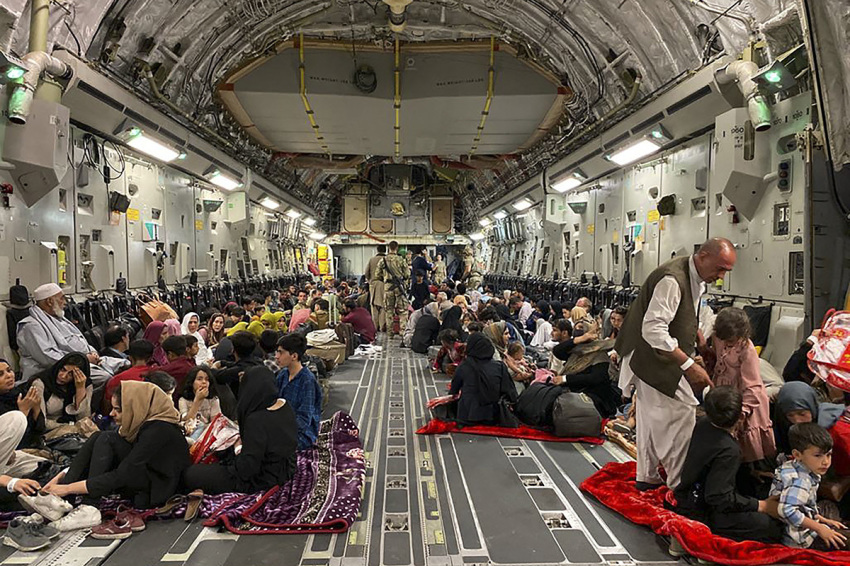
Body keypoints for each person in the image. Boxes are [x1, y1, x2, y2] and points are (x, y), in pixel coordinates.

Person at [615, 238, 736, 491]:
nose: (722, 276)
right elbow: (654, 329)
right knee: (680, 415)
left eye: (726, 271)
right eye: (720, 268)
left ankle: (646, 477)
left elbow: (682, 314)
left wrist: (698, 339)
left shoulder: (696, 278)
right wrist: (689, 364)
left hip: (651, 353)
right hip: (648, 354)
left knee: (649, 416)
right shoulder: (672, 279)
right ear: (703, 256)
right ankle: (679, 487)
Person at [45, 381, 189, 509]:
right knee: (98, 436)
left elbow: (124, 474)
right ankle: (60, 500)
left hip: (160, 489)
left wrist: (69, 488)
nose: (112, 413)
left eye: (118, 409)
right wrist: (63, 479)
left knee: (107, 438)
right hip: (147, 477)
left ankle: (89, 506)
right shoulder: (144, 424)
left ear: (136, 406)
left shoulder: (158, 430)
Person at [673, 386, 783, 545]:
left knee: (757, 486)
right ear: (740, 416)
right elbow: (718, 498)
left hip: (688, 494)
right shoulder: (729, 449)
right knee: (771, 527)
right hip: (702, 510)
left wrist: (750, 473)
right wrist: (762, 506)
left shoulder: (703, 424)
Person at [183, 367, 298, 494]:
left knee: (191, 474)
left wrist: (238, 449)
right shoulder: (284, 405)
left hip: (262, 477)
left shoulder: (256, 420)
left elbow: (247, 469)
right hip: (284, 468)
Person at [707, 307, 776, 464]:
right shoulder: (718, 338)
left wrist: (740, 414)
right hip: (724, 394)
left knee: (745, 451)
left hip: (743, 398)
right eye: (723, 339)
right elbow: (718, 361)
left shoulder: (746, 349)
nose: (726, 343)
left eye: (730, 341)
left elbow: (753, 387)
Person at [769, 422, 848, 549]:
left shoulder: (795, 465)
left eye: (828, 455)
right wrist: (820, 528)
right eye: (818, 455)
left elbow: (805, 506)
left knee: (829, 507)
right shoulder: (800, 480)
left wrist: (824, 521)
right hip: (802, 540)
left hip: (803, 523)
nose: (826, 462)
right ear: (797, 454)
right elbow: (787, 510)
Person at [16, 283, 107, 384]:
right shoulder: (31, 326)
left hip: (81, 361)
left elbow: (79, 339)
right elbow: (47, 358)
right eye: (62, 298)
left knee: (120, 365)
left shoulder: (60, 319)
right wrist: (84, 360)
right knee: (104, 377)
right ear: (49, 301)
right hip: (56, 371)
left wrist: (92, 352)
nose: (65, 303)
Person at [448, 333, 517, 426]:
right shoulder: (499, 366)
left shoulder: (464, 366)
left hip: (467, 416)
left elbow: (453, 391)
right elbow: (510, 392)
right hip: (493, 417)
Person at [274, 334, 322, 450]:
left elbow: (304, 419)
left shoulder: (307, 381)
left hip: (302, 434)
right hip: (283, 427)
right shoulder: (283, 375)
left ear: (294, 356)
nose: (276, 356)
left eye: (280, 352)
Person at [774, 382, 844, 458]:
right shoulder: (783, 427)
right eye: (790, 415)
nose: (797, 420)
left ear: (812, 408)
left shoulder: (834, 425)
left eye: (802, 414)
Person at [29, 353, 93, 431]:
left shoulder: (84, 384)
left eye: (71, 374)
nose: (63, 376)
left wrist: (80, 389)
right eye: (63, 369)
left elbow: (84, 418)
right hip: (50, 431)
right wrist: (70, 427)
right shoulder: (40, 383)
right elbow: (41, 422)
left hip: (75, 429)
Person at [0, 359, 45, 450]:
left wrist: (36, 408)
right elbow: (7, 445)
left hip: (34, 446)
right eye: (0, 374)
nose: (9, 376)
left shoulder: (19, 394)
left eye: (9, 370)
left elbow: (40, 431)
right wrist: (23, 413)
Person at [103, 340, 154, 414]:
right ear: (150, 358)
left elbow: (107, 406)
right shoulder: (158, 374)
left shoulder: (117, 379)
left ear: (130, 357)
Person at [178, 366, 222, 442]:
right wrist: (197, 400)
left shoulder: (213, 400)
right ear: (192, 382)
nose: (204, 382)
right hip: (191, 432)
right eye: (199, 379)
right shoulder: (183, 400)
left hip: (208, 434)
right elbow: (187, 421)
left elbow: (215, 423)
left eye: (207, 379)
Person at [214, 331, 262, 398]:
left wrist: (213, 367)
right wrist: (221, 363)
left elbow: (217, 375)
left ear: (233, 349)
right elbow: (237, 364)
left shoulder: (239, 370)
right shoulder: (258, 361)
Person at [381, 241, 410, 337]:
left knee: (389, 310)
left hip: (388, 288)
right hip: (399, 287)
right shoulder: (401, 260)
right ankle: (403, 332)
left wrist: (386, 277)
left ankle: (390, 333)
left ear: (388, 248)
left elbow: (377, 274)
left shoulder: (383, 260)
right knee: (403, 310)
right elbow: (407, 274)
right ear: (397, 248)